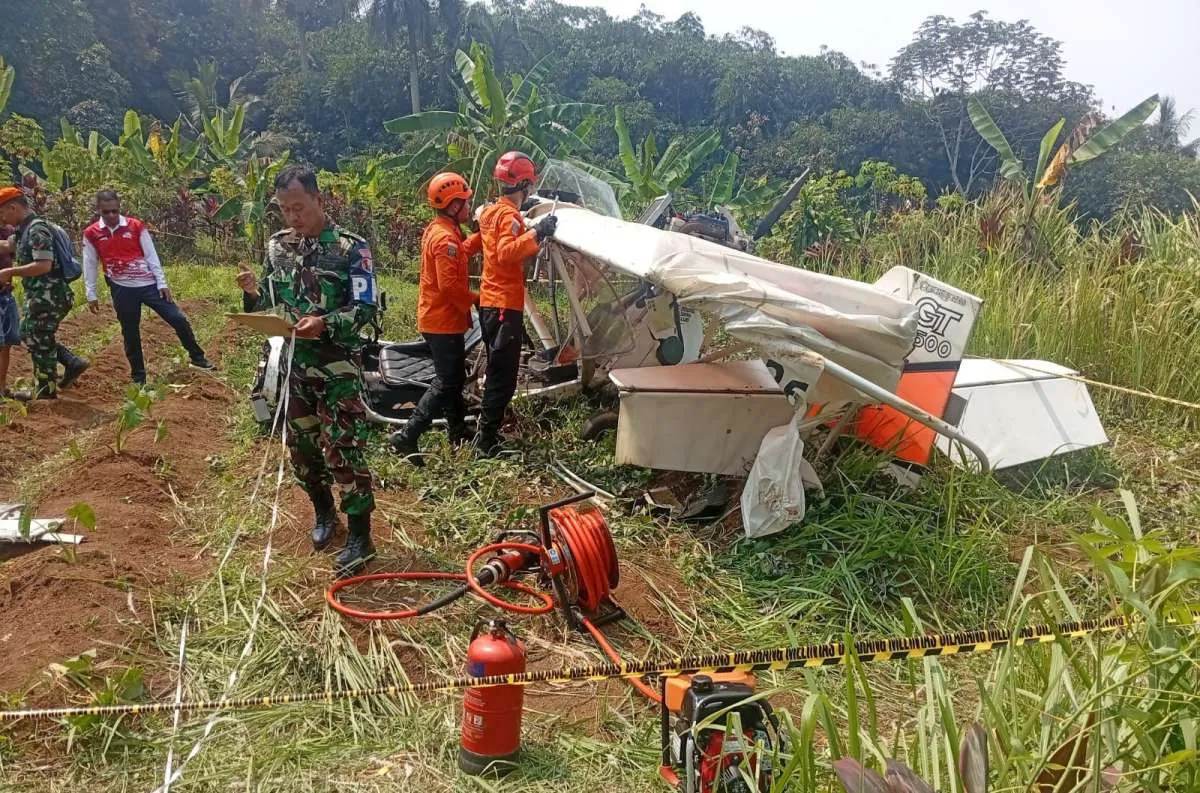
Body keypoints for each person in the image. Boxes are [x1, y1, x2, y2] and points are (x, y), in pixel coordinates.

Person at [235, 165, 378, 577]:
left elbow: (365, 309)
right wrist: (251, 293)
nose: (292, 217)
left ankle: (360, 536)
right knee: (302, 451)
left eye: (299, 207)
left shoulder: (352, 248)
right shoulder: (278, 246)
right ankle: (324, 514)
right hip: (294, 366)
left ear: (319, 198)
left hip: (337, 367)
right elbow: (271, 297)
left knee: (344, 449)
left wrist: (326, 323)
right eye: (284, 209)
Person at [388, 173, 480, 464]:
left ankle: (457, 430)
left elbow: (462, 253)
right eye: (465, 202)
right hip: (442, 321)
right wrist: (482, 298)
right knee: (446, 380)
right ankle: (407, 436)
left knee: (453, 377)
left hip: (441, 319)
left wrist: (484, 237)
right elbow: (450, 287)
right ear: (453, 206)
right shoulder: (444, 238)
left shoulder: (443, 230)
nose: (469, 207)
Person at [474, 152, 557, 455]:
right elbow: (505, 253)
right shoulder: (509, 217)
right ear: (523, 184)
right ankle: (486, 444)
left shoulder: (491, 212)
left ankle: (487, 435)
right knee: (503, 378)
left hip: (489, 304)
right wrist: (537, 231)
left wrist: (529, 228)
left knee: (499, 371)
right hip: (503, 306)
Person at [83, 190, 213, 385]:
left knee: (177, 318)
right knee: (130, 332)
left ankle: (198, 357)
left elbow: (151, 255)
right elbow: (90, 263)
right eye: (106, 212)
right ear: (99, 211)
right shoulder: (92, 233)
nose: (110, 216)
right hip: (121, 288)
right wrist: (91, 292)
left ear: (119, 207)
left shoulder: (135, 226)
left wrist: (162, 283)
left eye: (114, 211)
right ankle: (138, 377)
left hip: (149, 285)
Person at [0, 186, 88, 400]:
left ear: (13, 207)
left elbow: (44, 265)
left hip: (49, 294)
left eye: (2, 213)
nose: (2, 219)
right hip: (40, 295)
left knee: (34, 334)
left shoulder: (37, 229)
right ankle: (66, 367)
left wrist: (10, 271)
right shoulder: (24, 230)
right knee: (34, 334)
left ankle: (46, 390)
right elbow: (6, 246)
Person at [0, 223, 18, 400]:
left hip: (6, 294)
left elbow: (12, 253)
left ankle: (2, 389)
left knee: (6, 344)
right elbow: (9, 245)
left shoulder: (9, 230)